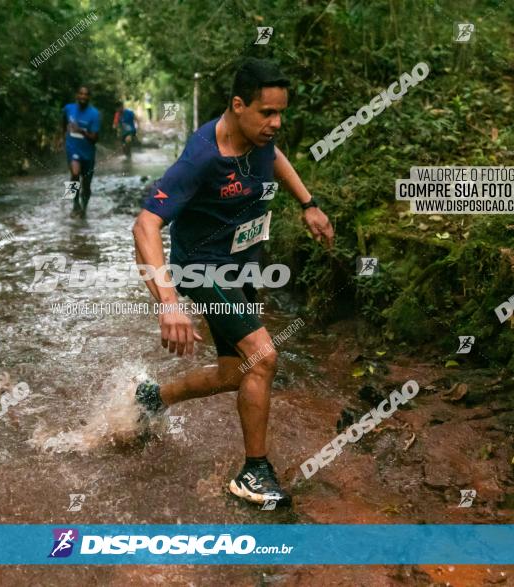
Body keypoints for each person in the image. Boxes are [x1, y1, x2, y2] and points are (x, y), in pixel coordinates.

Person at [131, 58, 335, 507]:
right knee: (262, 358)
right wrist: (168, 302)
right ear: (238, 105)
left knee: (234, 372)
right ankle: (253, 473)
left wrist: (309, 203)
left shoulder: (261, 138)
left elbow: (274, 156)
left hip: (242, 265)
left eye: (281, 113)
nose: (276, 123)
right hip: (203, 268)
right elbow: (145, 225)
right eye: (267, 113)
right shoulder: (203, 156)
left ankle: (152, 398)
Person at [61, 86, 100, 217]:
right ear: (77, 95)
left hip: (88, 152)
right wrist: (61, 136)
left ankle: (84, 208)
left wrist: (81, 131)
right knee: (74, 174)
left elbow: (94, 138)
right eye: (81, 94)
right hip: (72, 148)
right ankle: (74, 205)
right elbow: (62, 122)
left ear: (89, 97)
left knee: (86, 184)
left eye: (86, 94)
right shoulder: (68, 109)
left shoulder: (94, 114)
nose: (83, 96)